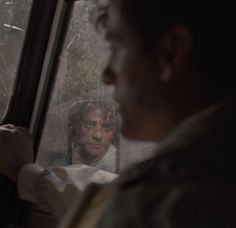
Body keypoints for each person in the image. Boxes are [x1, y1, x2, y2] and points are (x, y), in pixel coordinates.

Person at [0, 0, 234, 227]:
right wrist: (29, 174)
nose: (107, 76)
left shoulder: (164, 199)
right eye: (90, 125)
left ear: (171, 52)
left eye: (117, 48)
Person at [68, 100, 119, 173]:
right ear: (78, 129)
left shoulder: (118, 164)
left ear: (114, 134)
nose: (98, 135)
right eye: (89, 124)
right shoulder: (70, 155)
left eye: (107, 127)